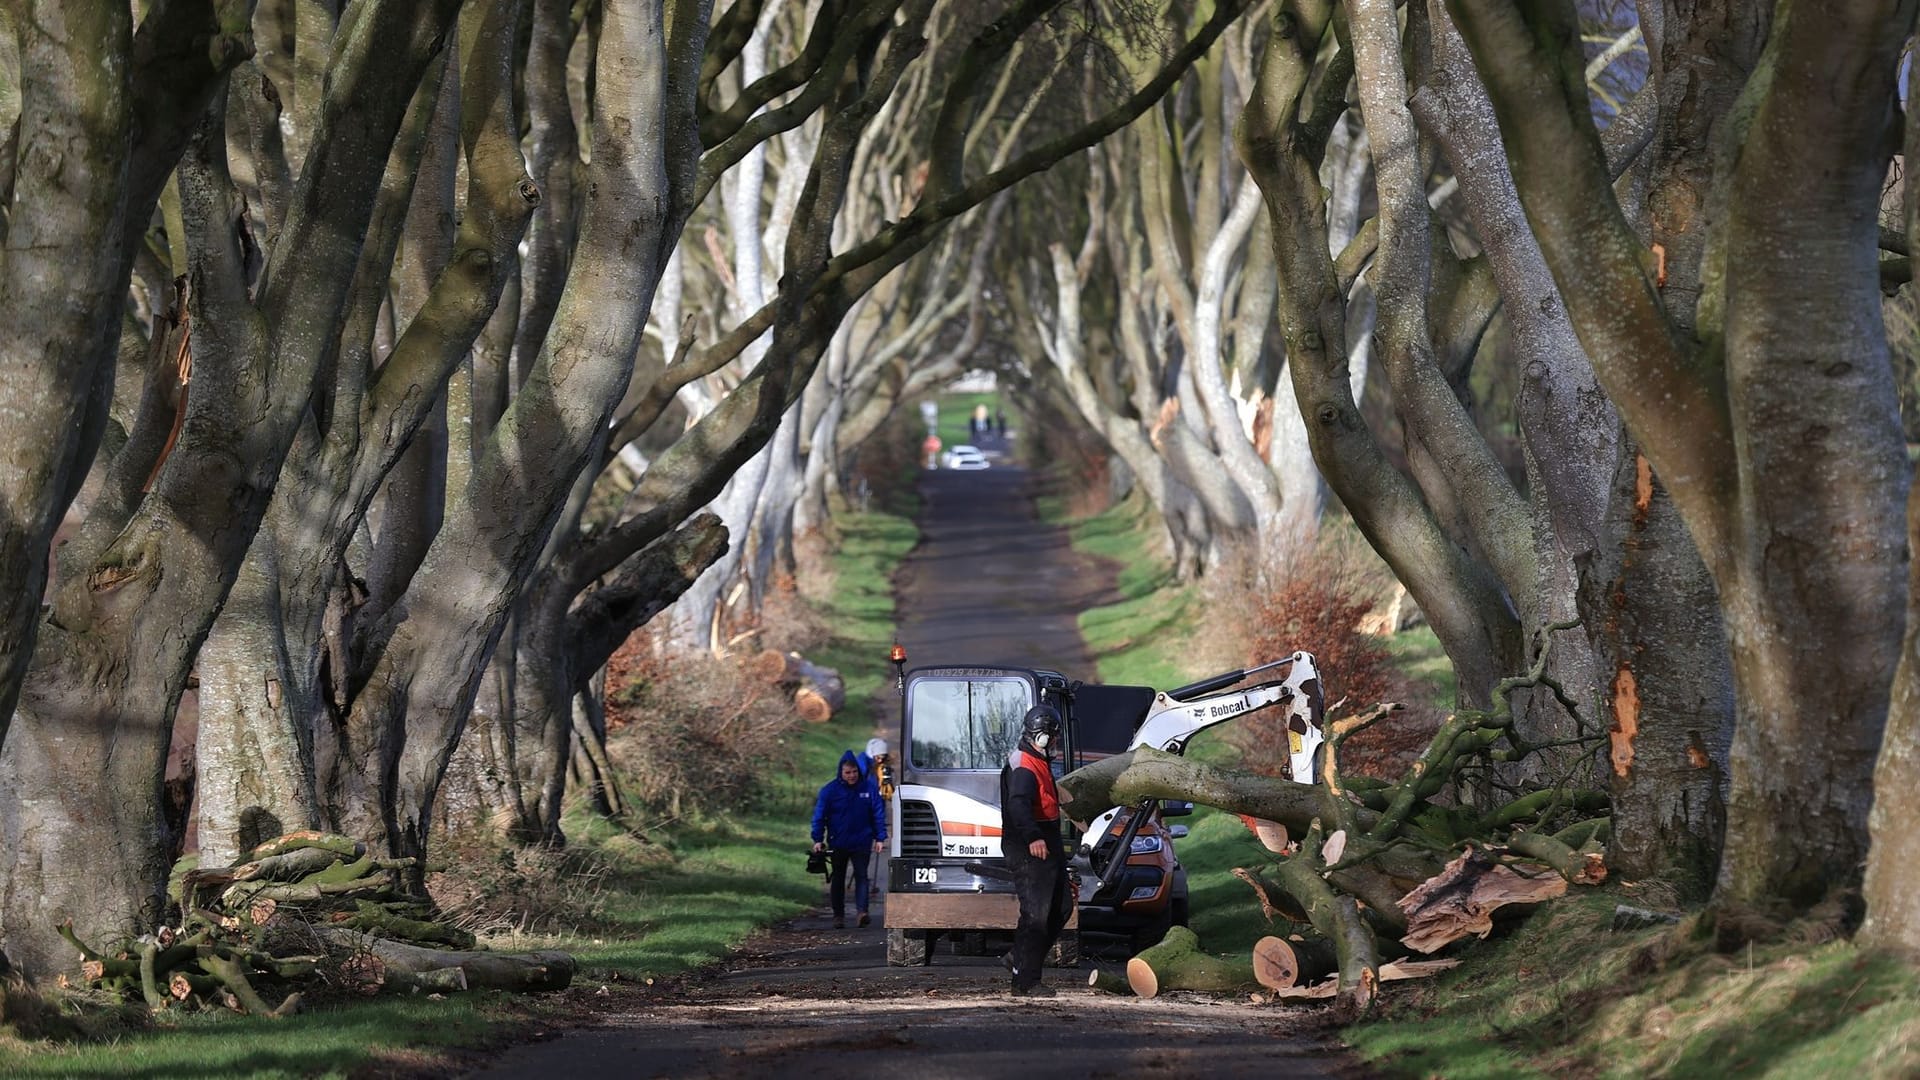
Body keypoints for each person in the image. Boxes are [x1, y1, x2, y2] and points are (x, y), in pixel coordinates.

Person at [1000, 703, 1071, 997]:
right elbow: (1018, 804)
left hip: (1047, 840)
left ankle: (1019, 956)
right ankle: (1025, 981)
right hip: (1028, 844)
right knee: (1036, 915)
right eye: (1053, 737)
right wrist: (1033, 837)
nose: (1055, 742)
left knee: (1062, 908)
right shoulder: (1024, 767)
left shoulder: (1036, 760)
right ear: (1041, 737)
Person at [811, 750, 887, 929]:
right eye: (847, 773)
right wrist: (817, 838)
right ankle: (838, 915)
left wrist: (880, 837)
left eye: (854, 772)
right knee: (838, 878)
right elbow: (819, 816)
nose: (851, 776)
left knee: (862, 876)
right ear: (841, 772)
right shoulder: (829, 791)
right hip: (838, 842)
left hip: (862, 840)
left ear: (858, 771)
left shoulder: (868, 789)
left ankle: (862, 912)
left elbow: (878, 813)